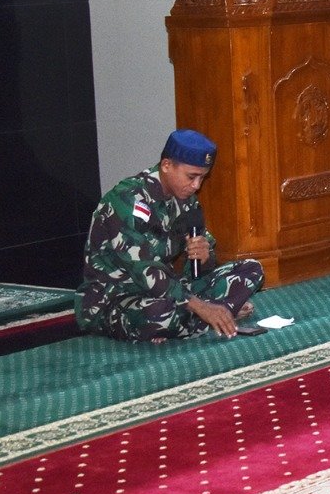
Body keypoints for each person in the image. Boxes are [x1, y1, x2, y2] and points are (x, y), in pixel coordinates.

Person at [76, 129, 264, 342]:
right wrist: (201, 306)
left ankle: (202, 318)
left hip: (168, 292)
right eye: (191, 177)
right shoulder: (126, 200)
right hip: (115, 299)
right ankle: (214, 315)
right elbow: (145, 272)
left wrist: (204, 257)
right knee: (158, 314)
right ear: (166, 165)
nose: (196, 186)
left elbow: (197, 272)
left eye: (202, 177)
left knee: (251, 269)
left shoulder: (186, 201)